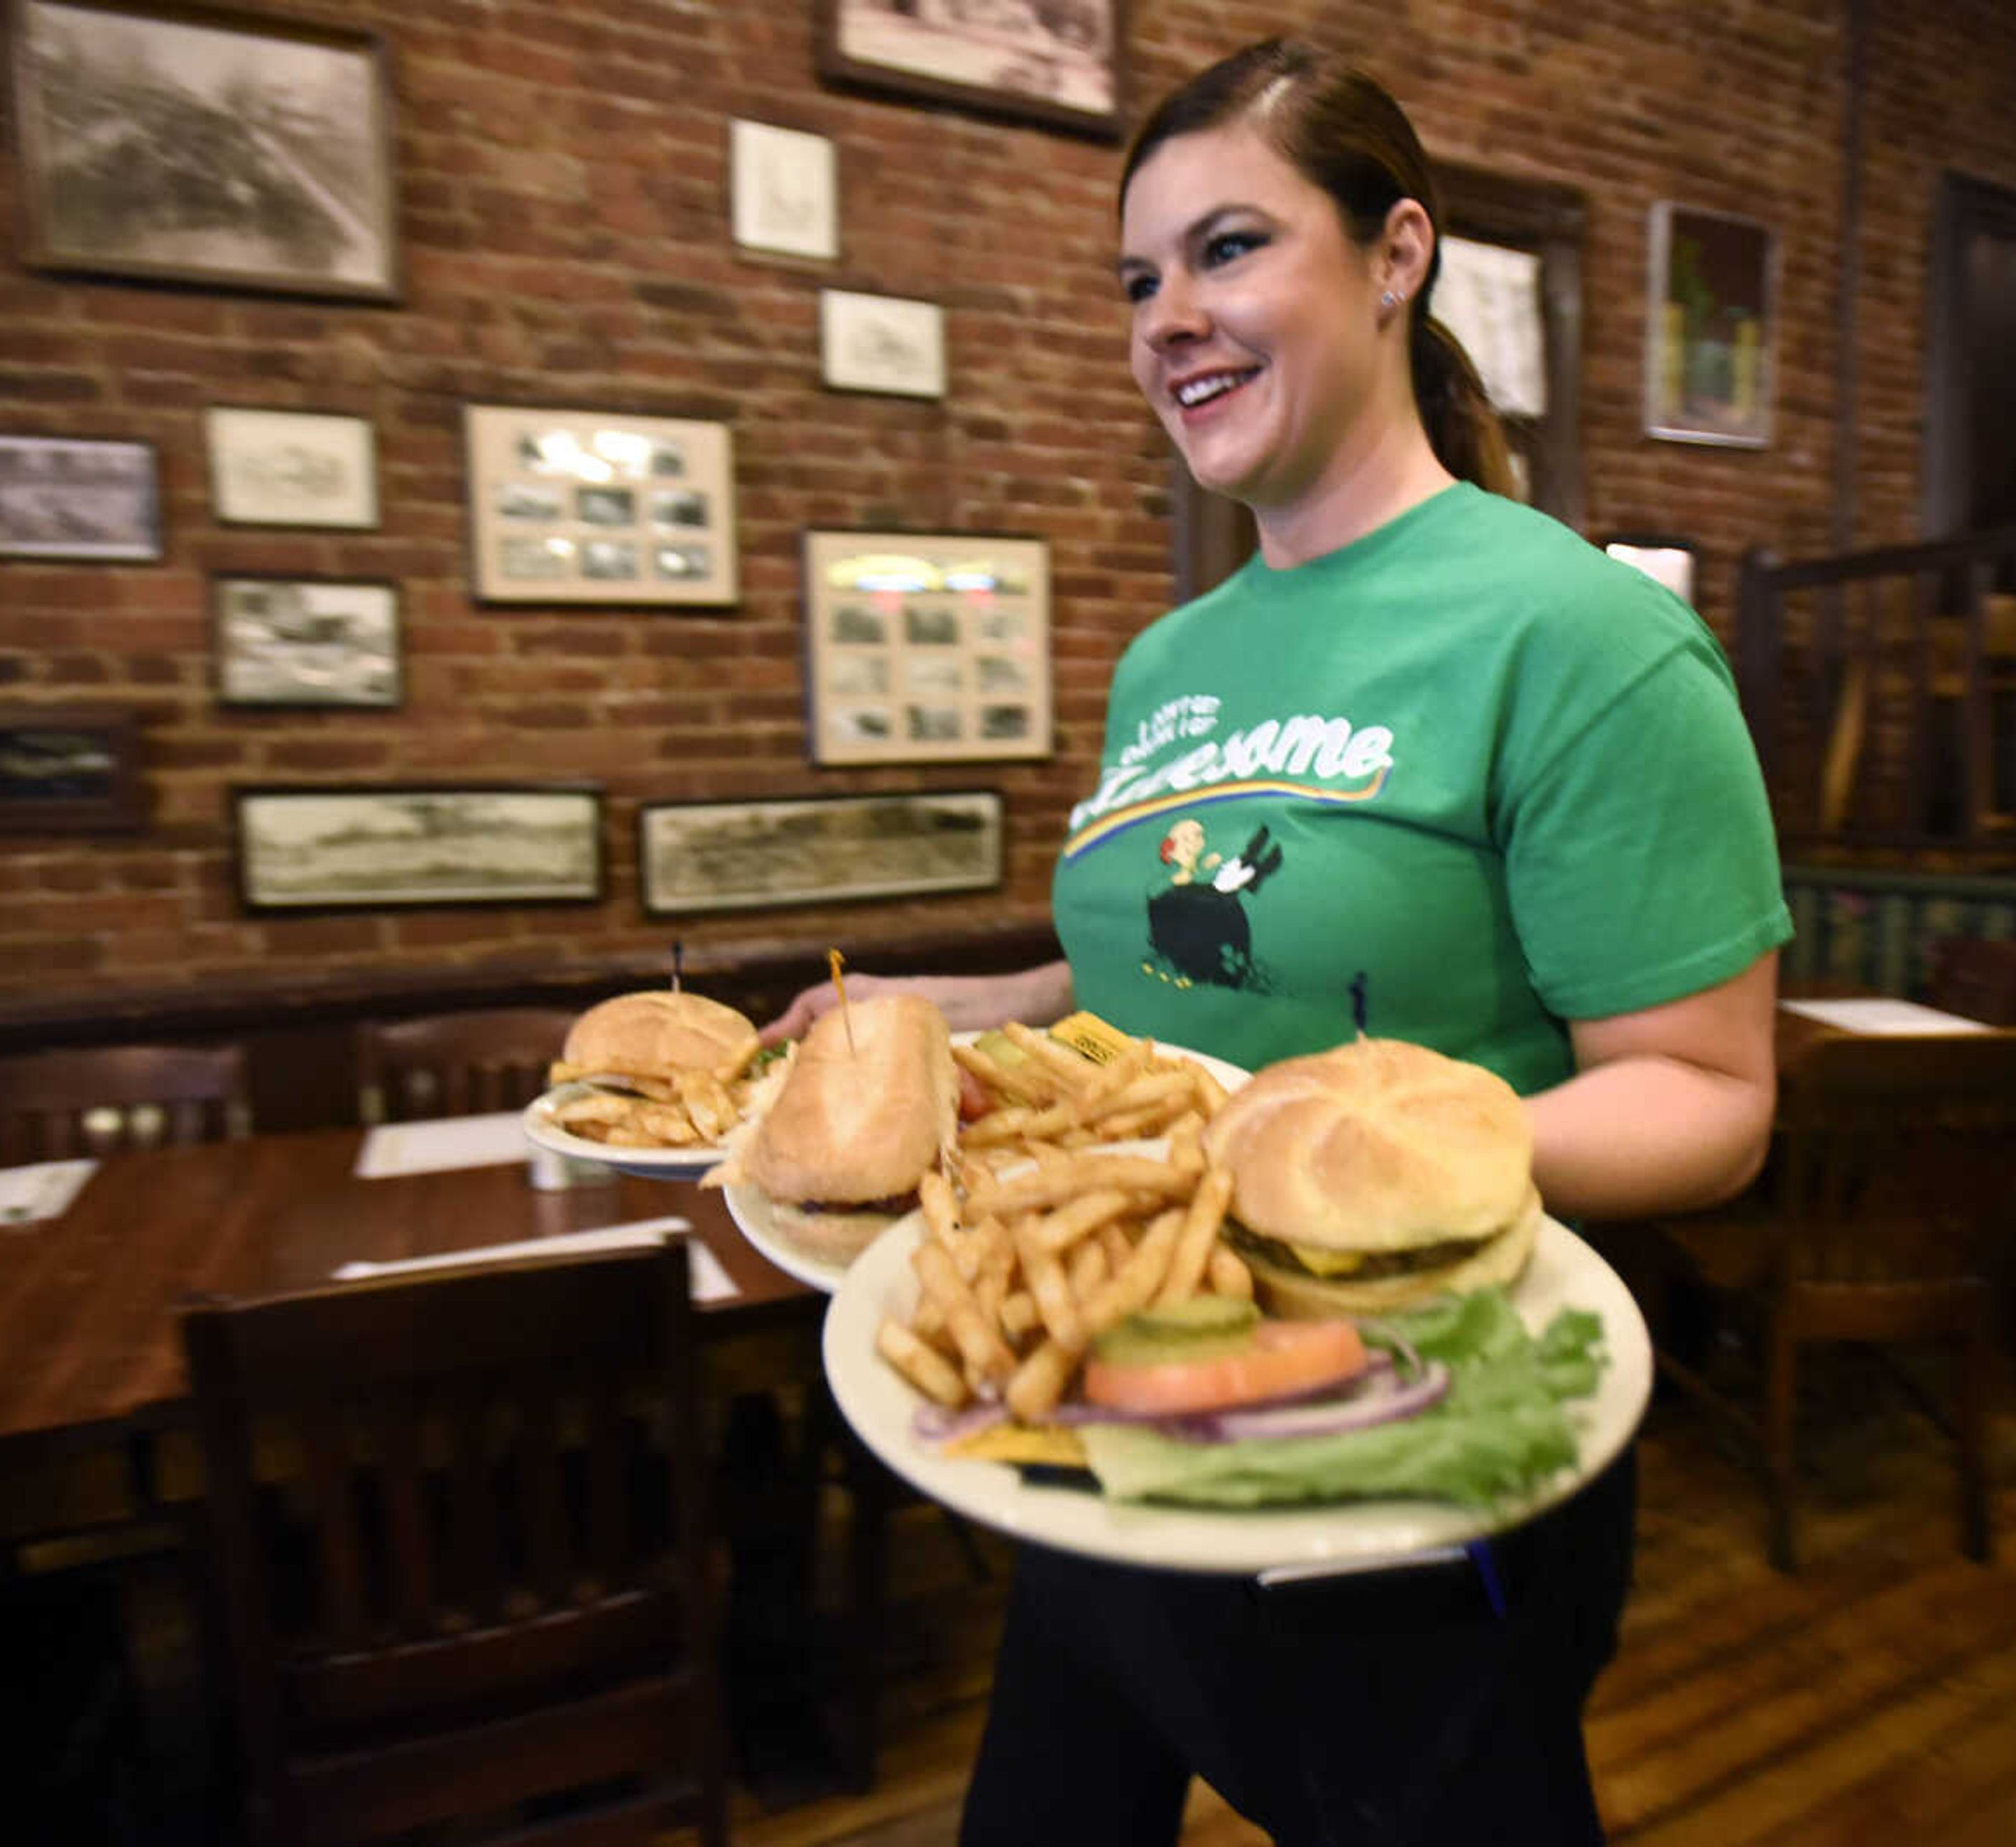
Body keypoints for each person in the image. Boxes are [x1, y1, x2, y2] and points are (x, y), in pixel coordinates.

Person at [763, 38, 1791, 1846]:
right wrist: (972, 1003)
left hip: (1403, 1457)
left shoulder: (1583, 636)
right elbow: (1168, 991)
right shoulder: (1174, 658)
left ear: (1398, 255)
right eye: (1140, 276)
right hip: (1106, 1413)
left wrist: (1284, 1162)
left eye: (1230, 248)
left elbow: (1708, 1096)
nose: (1171, 314)